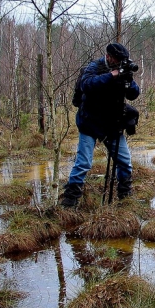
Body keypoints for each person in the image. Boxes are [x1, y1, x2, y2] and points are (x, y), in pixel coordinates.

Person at [60, 43, 140, 207]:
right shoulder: (94, 67)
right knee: (84, 163)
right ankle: (69, 201)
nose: (119, 63)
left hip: (112, 124)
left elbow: (134, 94)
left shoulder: (122, 70)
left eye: (121, 61)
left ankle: (125, 197)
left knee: (124, 161)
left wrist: (128, 79)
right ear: (109, 57)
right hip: (89, 122)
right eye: (117, 60)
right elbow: (86, 85)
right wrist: (112, 75)